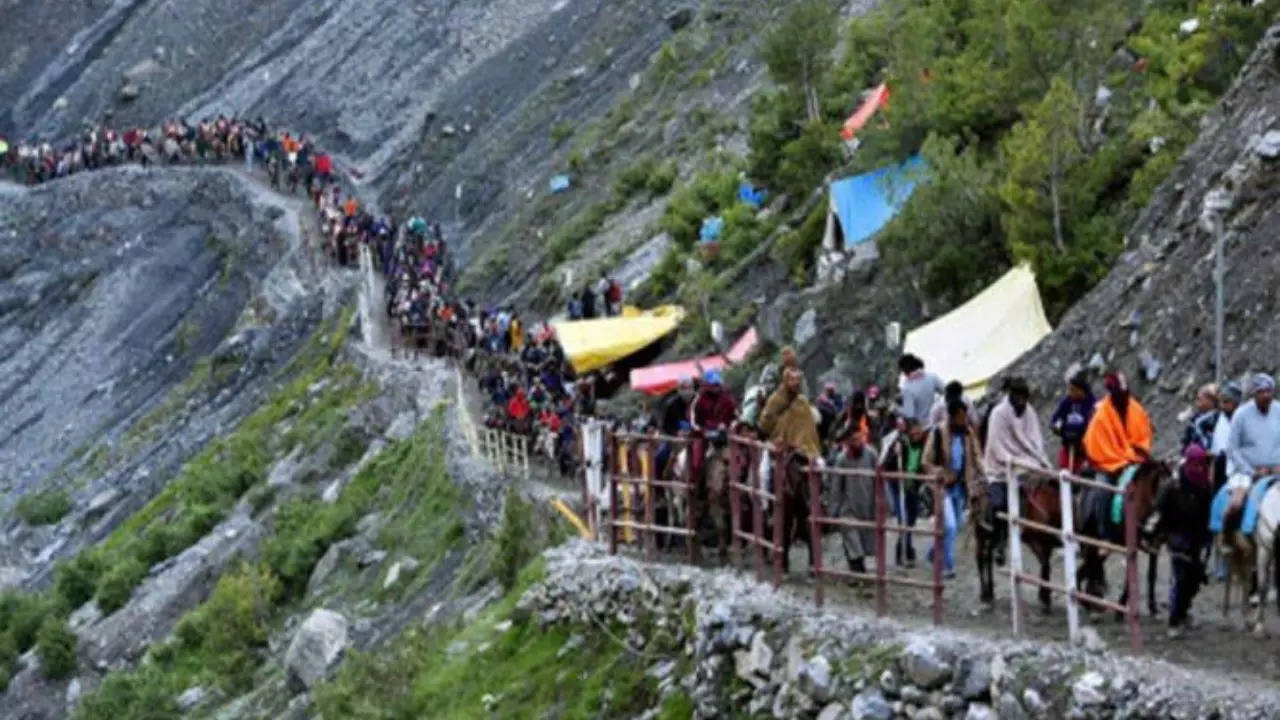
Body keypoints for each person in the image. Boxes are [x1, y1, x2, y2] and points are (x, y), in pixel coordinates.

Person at [982, 378, 1050, 558]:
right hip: (1000, 467)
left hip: (1025, 460)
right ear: (1011, 396)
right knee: (999, 503)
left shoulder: (1030, 413)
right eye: (1018, 397)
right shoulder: (998, 414)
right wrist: (1014, 461)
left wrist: (1037, 459)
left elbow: (1035, 440)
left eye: (1024, 398)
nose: (1021, 402)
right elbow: (997, 446)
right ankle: (999, 541)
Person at [1151, 443, 1213, 638]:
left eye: (1201, 464)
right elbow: (1159, 513)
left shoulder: (1205, 487)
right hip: (1176, 535)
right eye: (1195, 464)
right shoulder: (1172, 487)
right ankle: (1174, 620)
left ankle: (1184, 609)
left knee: (1195, 578)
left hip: (1197, 536)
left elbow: (1207, 515)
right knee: (1180, 576)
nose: (1198, 469)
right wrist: (1158, 535)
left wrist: (1206, 541)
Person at [923, 398, 985, 578]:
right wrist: (941, 473)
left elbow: (977, 455)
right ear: (952, 416)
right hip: (942, 487)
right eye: (961, 417)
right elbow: (926, 462)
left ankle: (933, 552)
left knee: (956, 525)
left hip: (960, 487)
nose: (964, 420)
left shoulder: (967, 434)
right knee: (949, 526)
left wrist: (985, 474)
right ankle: (947, 566)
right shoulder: (938, 433)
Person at [1221, 373, 1280, 534]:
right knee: (1236, 504)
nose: (1266, 395)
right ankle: (1226, 539)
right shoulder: (1241, 414)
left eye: (1269, 391)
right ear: (1254, 394)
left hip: (1276, 470)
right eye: (1261, 392)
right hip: (1247, 472)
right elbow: (1232, 448)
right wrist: (1252, 471)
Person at [1082, 372, 1153, 482]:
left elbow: (1143, 438)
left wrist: (1136, 457)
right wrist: (1122, 462)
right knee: (1102, 490)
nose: (1123, 395)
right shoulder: (1100, 417)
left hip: (1136, 460)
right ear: (1112, 392)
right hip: (1110, 465)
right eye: (1119, 392)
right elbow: (1099, 449)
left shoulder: (1137, 410)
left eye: (1125, 391)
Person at [829, 426, 877, 575]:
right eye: (853, 440)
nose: (857, 442)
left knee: (863, 541)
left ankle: (857, 565)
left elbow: (879, 480)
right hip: (848, 506)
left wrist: (883, 504)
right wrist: (834, 510)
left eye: (859, 438)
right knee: (851, 537)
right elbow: (836, 487)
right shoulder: (842, 459)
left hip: (867, 503)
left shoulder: (871, 454)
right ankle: (857, 569)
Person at [882, 418, 928, 567]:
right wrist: (896, 455)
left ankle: (905, 545)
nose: (916, 436)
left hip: (913, 485)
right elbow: (887, 465)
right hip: (898, 485)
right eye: (913, 433)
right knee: (903, 517)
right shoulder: (900, 444)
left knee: (911, 518)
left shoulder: (924, 446)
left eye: (918, 433)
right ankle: (904, 550)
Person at [1050, 374, 1094, 473]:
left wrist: (1080, 435)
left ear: (1081, 391)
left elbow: (1092, 426)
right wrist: (1062, 431)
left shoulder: (1092, 403)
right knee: (1065, 475)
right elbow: (1055, 420)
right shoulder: (1067, 402)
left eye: (1072, 390)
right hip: (1068, 447)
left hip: (1084, 450)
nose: (1069, 393)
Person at [898, 353, 945, 426]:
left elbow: (908, 414)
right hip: (937, 424)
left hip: (920, 429)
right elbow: (947, 393)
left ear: (904, 370)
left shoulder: (906, 387)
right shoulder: (932, 377)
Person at [1182, 383, 1220, 453]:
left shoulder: (1218, 419)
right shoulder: (1196, 418)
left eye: (1200, 400)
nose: (1197, 403)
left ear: (1210, 400)